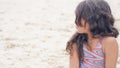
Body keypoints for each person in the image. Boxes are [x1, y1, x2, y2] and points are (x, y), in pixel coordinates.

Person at [66, 0, 119, 68]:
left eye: (80, 17)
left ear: (95, 19)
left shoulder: (109, 42)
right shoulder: (77, 41)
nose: (76, 21)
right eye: (77, 17)